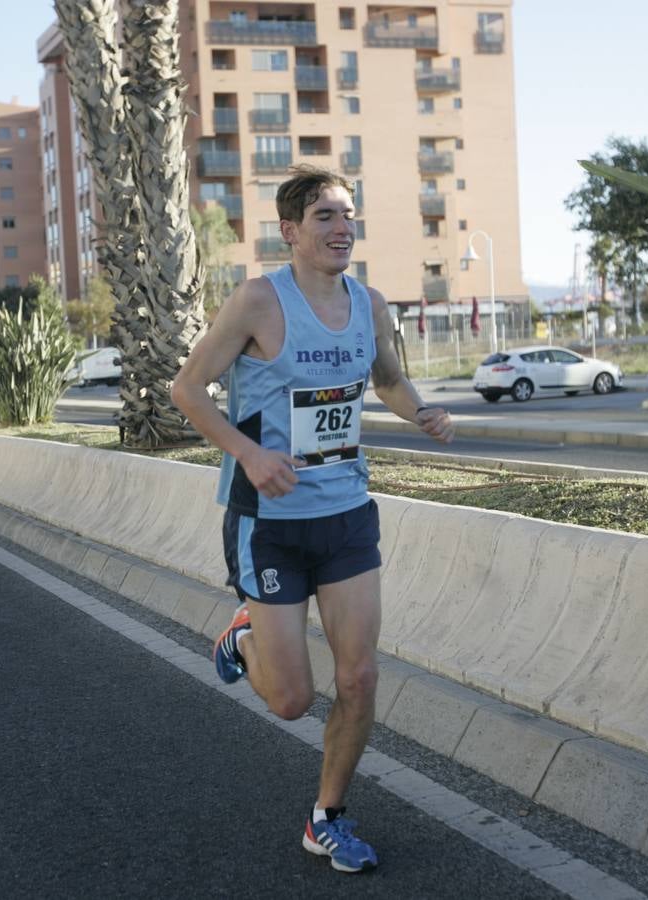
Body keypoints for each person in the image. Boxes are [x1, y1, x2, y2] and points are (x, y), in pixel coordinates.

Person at [172, 165, 455, 874]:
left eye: (348, 214)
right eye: (325, 215)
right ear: (291, 231)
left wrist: (418, 411)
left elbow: (385, 378)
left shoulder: (369, 303)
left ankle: (327, 815)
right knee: (293, 700)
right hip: (268, 520)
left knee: (358, 678)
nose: (341, 227)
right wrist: (247, 453)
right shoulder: (259, 302)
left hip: (347, 515)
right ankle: (243, 636)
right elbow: (188, 389)